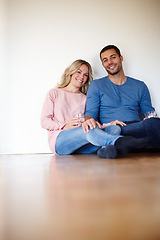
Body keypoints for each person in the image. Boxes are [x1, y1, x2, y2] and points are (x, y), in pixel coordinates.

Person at [41, 59, 148, 158]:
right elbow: (44, 121)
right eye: (78, 72)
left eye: (85, 75)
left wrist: (109, 124)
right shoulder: (54, 93)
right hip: (60, 141)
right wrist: (64, 126)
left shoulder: (84, 98)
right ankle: (122, 142)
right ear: (71, 72)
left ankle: (105, 150)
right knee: (88, 131)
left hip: (81, 144)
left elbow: (89, 123)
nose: (81, 77)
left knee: (115, 129)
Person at [83, 45, 160, 151]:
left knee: (155, 123)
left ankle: (123, 147)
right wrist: (89, 121)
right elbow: (90, 114)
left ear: (121, 58)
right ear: (103, 64)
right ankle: (128, 145)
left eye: (113, 57)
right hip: (112, 128)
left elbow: (149, 114)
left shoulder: (140, 86)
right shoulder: (96, 85)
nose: (109, 62)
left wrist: (152, 120)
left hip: (135, 127)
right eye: (105, 60)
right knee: (113, 131)